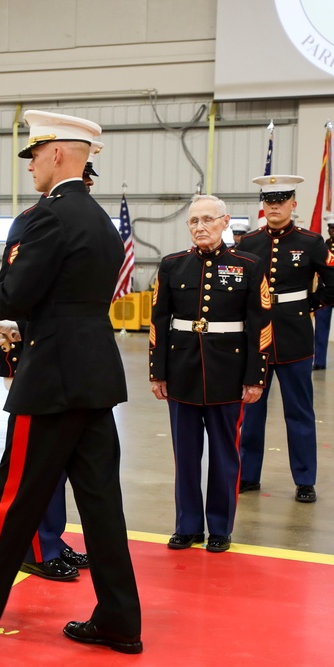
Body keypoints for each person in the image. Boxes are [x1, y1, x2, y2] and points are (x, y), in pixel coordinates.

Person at [0, 110, 142, 654]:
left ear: (59, 154)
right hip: (93, 375)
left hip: (51, 381)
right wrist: (22, 323)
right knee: (102, 505)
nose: (31, 166)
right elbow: (70, 298)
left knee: (13, 495)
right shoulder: (101, 223)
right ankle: (119, 619)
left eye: (35, 154)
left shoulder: (45, 216)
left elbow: (12, 292)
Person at [149, 195, 269, 553]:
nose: (200, 227)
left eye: (207, 219)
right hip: (182, 371)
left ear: (224, 221)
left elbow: (260, 324)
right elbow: (158, 321)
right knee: (184, 455)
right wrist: (158, 372)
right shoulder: (172, 265)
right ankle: (187, 525)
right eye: (193, 221)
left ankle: (220, 527)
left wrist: (255, 377)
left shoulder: (248, 264)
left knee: (224, 455)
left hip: (227, 375)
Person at [17, 151, 102, 581]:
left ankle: (52, 537)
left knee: (59, 466)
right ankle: (39, 545)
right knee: (34, 469)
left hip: (64, 358)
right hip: (38, 351)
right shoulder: (36, 218)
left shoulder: (77, 217)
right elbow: (19, 291)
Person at [235, 175, 334, 503]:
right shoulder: (248, 243)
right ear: (263, 205)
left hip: (295, 337)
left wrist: (311, 305)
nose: (274, 206)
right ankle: (248, 475)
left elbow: (331, 281)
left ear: (293, 203)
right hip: (257, 340)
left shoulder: (311, 241)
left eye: (281, 200)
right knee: (252, 410)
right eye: (269, 201)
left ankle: (305, 479)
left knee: (300, 411)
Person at [313, 218, 334, 370]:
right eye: (330, 228)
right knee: (320, 328)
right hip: (326, 291)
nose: (332, 231)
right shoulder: (323, 245)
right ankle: (320, 361)